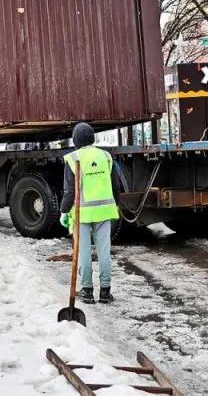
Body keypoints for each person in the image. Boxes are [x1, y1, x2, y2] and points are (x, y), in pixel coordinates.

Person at [59, 122, 122, 305]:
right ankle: (105, 291)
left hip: (82, 215)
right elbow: (115, 185)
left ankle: (86, 291)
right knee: (104, 252)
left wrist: (64, 211)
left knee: (83, 252)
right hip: (104, 212)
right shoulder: (106, 157)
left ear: (76, 140)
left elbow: (70, 191)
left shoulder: (72, 158)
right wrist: (115, 205)